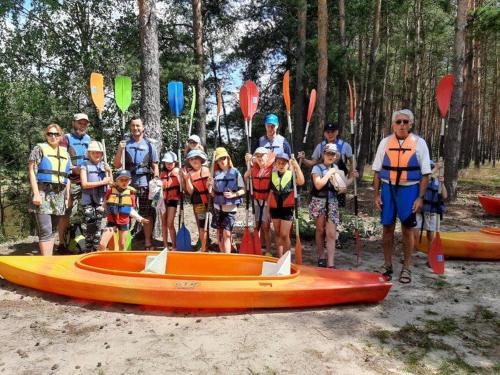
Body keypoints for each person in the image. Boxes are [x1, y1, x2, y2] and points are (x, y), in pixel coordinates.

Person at [372, 109, 431, 283]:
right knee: (387, 228)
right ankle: (387, 264)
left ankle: (406, 267)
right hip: (388, 189)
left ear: (411, 124)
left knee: (407, 229)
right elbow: (376, 171)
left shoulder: (420, 143)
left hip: (409, 190)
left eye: (406, 122)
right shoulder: (384, 143)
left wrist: (420, 197)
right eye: (398, 122)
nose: (402, 125)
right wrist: (376, 194)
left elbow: (426, 174)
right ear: (393, 125)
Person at [113, 116, 159, 250]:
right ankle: (125, 242)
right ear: (130, 128)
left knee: (146, 212)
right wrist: (120, 149)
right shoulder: (125, 144)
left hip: (145, 183)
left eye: (138, 125)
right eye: (133, 126)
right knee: (125, 211)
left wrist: (156, 179)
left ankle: (147, 242)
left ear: (143, 127)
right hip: (127, 185)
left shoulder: (150, 145)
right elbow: (117, 164)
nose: (135, 128)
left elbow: (155, 165)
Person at [309, 143, 358, 268]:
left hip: (332, 202)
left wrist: (351, 178)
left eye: (333, 154)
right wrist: (329, 173)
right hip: (319, 201)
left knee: (331, 233)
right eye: (328, 153)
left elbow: (342, 187)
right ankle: (321, 256)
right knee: (320, 230)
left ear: (336, 156)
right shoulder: (317, 168)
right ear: (323, 154)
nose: (330, 156)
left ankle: (331, 263)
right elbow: (318, 185)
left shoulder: (336, 167)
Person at [28, 124, 71, 256]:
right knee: (45, 230)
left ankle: (48, 259)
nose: (53, 136)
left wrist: (67, 196)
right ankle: (46, 262)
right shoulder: (39, 149)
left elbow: (67, 177)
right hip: (43, 192)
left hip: (59, 195)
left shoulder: (66, 153)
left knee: (52, 230)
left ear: (61, 136)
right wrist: (36, 194)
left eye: (56, 134)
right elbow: (31, 171)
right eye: (50, 134)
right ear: (46, 135)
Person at [58, 113, 91, 252]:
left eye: (84, 123)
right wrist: (73, 169)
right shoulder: (66, 139)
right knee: (67, 211)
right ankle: (61, 243)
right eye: (79, 123)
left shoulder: (89, 139)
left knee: (86, 211)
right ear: (74, 123)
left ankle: (80, 240)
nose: (82, 126)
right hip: (71, 180)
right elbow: (61, 159)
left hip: (86, 180)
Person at [298, 122, 353, 207]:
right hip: (323, 182)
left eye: (332, 131)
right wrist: (303, 159)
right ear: (324, 133)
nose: (330, 134)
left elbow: (352, 161)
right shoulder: (320, 146)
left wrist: (350, 176)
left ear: (337, 132)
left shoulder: (345, 145)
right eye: (328, 132)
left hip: (338, 180)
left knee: (338, 210)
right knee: (321, 211)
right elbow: (313, 163)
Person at [100, 170, 149, 251]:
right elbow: (104, 204)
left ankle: (120, 260)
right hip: (111, 222)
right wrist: (101, 209)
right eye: (121, 180)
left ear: (130, 181)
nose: (124, 182)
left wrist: (140, 218)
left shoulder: (131, 194)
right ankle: (105, 261)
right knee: (102, 244)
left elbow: (130, 209)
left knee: (122, 244)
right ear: (117, 181)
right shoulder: (110, 191)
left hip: (123, 222)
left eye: (126, 180)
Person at [268, 151, 305, 257]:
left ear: (288, 164)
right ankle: (279, 258)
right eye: (278, 163)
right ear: (275, 164)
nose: (281, 165)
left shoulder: (291, 175)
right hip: (275, 208)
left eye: (283, 163)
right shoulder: (273, 175)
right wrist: (267, 211)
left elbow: (301, 182)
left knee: (284, 235)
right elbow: (270, 193)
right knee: (277, 233)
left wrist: (297, 167)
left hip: (287, 209)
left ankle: (286, 259)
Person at [210, 147, 245, 253]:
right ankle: (222, 255)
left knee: (227, 233)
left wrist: (234, 194)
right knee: (219, 233)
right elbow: (212, 194)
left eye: (224, 158)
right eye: (219, 159)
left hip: (230, 208)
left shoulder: (235, 172)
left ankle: (228, 256)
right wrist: (210, 186)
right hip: (218, 207)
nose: (222, 161)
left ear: (228, 158)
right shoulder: (215, 175)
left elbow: (243, 190)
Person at [80, 140, 112, 252]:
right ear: (89, 154)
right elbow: (84, 184)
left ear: (102, 154)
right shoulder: (84, 165)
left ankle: (96, 249)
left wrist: (110, 172)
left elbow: (110, 183)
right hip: (88, 200)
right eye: (93, 152)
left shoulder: (104, 165)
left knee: (98, 225)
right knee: (90, 223)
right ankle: (88, 248)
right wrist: (102, 182)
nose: (96, 154)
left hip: (100, 200)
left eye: (99, 153)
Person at [244, 147, 273, 255]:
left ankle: (269, 250)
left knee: (266, 226)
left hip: (267, 201)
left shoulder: (272, 169)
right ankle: (258, 248)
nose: (260, 158)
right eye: (258, 156)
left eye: (262, 156)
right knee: (257, 225)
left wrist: (269, 207)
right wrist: (248, 162)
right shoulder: (253, 169)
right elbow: (245, 177)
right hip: (256, 200)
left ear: (267, 156)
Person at [414, 160, 448, 251]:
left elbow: (445, 196)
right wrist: (436, 168)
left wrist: (442, 183)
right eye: (432, 167)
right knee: (415, 231)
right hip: (420, 207)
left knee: (430, 233)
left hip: (432, 209)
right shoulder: (423, 177)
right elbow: (424, 180)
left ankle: (431, 253)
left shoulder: (438, 180)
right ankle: (413, 251)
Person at [182, 149, 211, 252]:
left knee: (220, 224)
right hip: (199, 203)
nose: (194, 161)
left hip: (211, 201)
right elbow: (190, 191)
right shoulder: (189, 173)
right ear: (189, 161)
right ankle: (204, 247)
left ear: (200, 159)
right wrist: (186, 179)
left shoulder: (207, 170)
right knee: (202, 224)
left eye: (196, 158)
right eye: (191, 159)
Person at [160, 151, 180, 250]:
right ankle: (165, 246)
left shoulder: (178, 172)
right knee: (163, 223)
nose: (168, 165)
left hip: (173, 200)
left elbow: (182, 186)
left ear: (175, 162)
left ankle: (174, 246)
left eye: (170, 163)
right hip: (162, 201)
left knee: (169, 223)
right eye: (166, 163)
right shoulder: (162, 173)